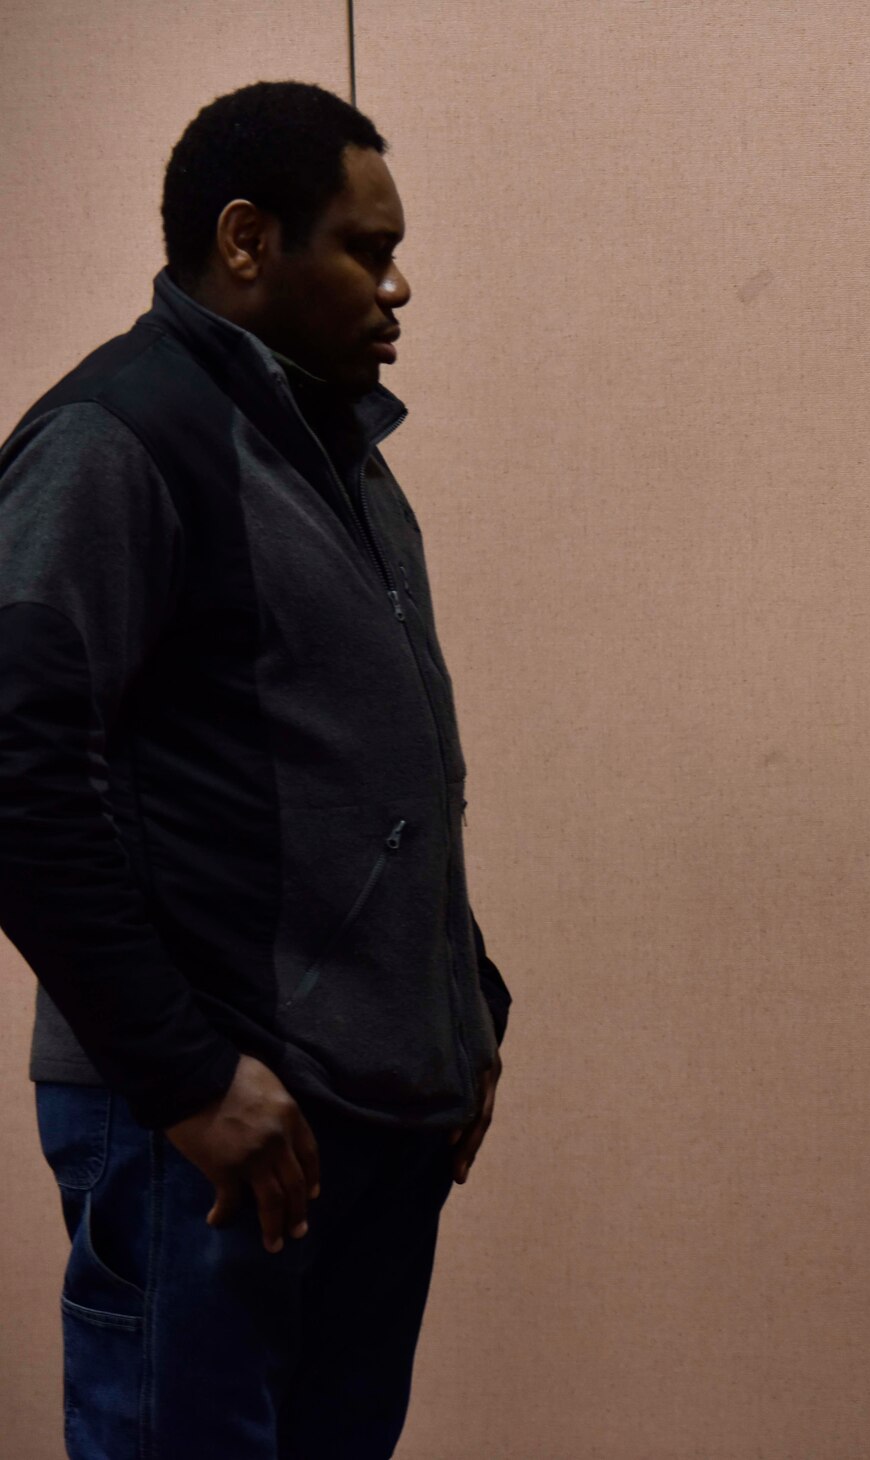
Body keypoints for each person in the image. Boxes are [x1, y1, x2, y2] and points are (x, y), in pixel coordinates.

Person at [0, 81, 509, 1458]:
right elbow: (17, 772)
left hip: (363, 1125)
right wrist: (183, 1078)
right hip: (211, 1133)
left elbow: (361, 772)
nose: (398, 287)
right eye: (363, 247)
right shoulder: (118, 438)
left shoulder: (342, 457)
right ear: (244, 239)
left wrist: (465, 1003)